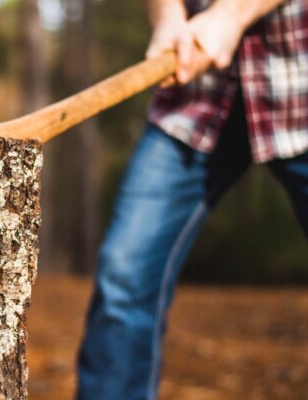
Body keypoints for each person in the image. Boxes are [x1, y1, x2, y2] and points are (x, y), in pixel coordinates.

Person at [76, 0, 308, 399]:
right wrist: (167, 17)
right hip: (194, 101)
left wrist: (231, 14)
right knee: (124, 273)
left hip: (297, 88)